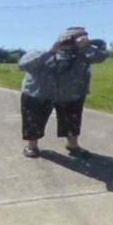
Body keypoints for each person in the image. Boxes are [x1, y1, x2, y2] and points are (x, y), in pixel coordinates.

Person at [16, 26, 101, 155]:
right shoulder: (40, 52)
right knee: (33, 121)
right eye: (68, 38)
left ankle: (73, 146)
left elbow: (100, 58)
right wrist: (52, 50)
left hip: (70, 94)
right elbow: (23, 65)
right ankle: (31, 146)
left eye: (76, 38)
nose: (70, 42)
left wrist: (86, 46)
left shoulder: (84, 54)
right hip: (37, 93)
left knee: (72, 121)